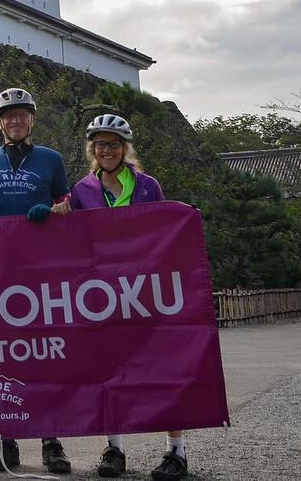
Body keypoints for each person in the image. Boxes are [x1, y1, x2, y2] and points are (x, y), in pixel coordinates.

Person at [70, 114, 187, 481]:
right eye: (100, 145)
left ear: (125, 149)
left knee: (162, 370)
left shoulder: (147, 186)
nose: (106, 150)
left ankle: (176, 452)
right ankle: (114, 448)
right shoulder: (81, 191)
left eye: (114, 144)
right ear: (92, 149)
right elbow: (72, 241)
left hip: (144, 291)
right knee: (109, 371)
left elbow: (164, 233)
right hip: (102, 293)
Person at [0, 87, 72, 475]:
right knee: (1, 354)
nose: (15, 121)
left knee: (42, 353)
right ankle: (3, 437)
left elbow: (69, 205)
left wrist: (56, 210)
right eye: (8, 116)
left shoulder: (51, 160)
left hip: (40, 271)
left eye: (22, 114)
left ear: (32, 120)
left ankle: (51, 438)